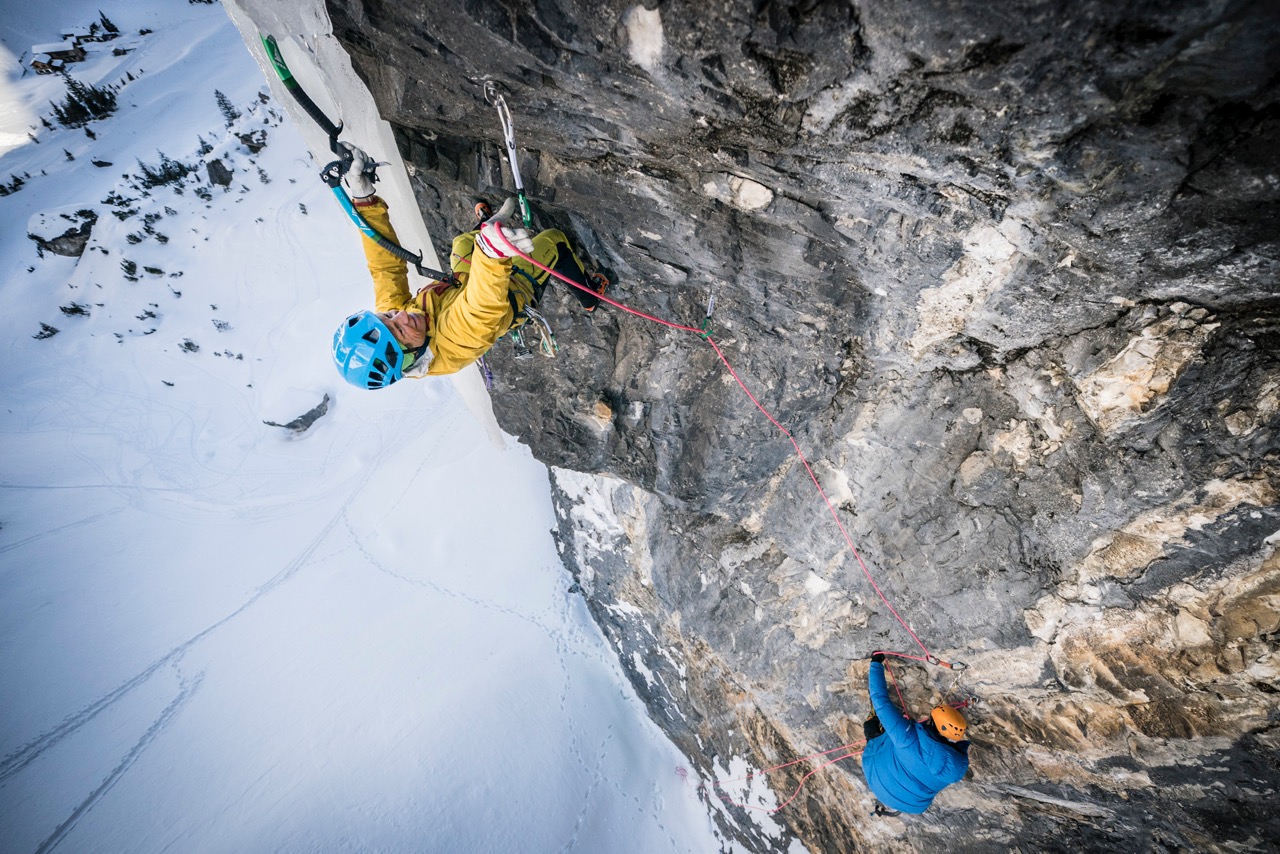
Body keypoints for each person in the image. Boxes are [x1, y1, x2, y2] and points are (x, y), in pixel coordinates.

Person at [331, 144, 607, 389]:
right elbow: (479, 308)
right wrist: (490, 255)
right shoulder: (451, 344)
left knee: (462, 242)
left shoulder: (393, 325)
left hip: (462, 282)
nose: (401, 317)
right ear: (409, 360)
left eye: (388, 317)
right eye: (400, 331)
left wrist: (364, 199)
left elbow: (386, 268)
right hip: (508, 293)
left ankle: (488, 232)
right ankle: (589, 296)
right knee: (554, 241)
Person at [860, 652, 970, 816]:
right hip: (908, 802)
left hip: (876, 772)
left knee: (871, 726)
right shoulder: (957, 766)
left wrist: (876, 662)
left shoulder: (908, 739)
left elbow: (880, 700)